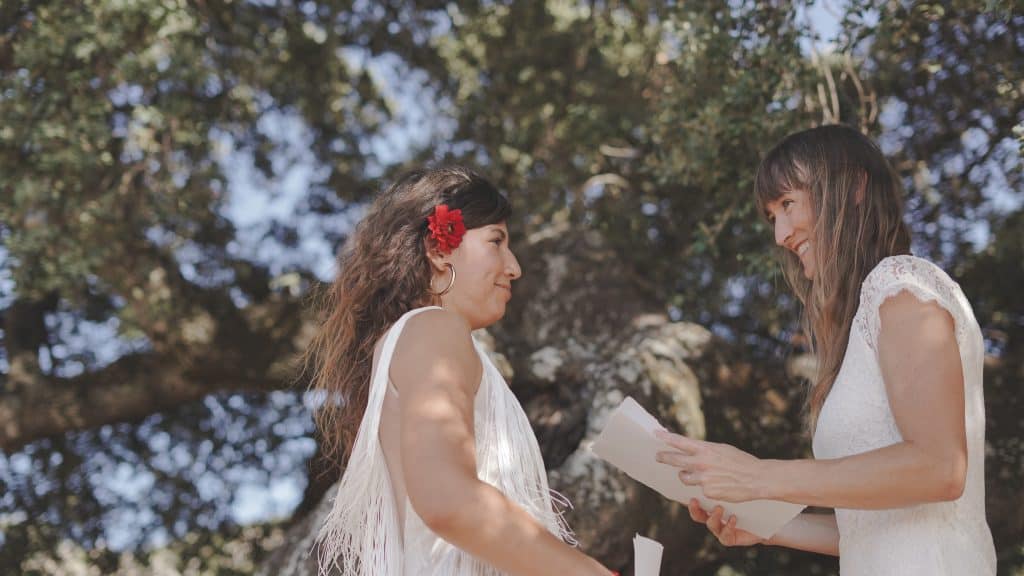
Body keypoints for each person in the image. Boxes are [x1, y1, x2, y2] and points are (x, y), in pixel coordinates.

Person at [655, 125, 997, 574]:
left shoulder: (900, 286)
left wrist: (758, 476)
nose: (780, 234)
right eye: (772, 215)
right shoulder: (863, 323)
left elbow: (940, 467)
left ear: (853, 187)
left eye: (787, 204)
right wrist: (764, 524)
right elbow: (870, 527)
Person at [304, 166, 614, 576]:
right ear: (438, 249)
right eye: (496, 242)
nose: (514, 267)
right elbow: (446, 498)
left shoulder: (414, 339)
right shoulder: (434, 328)